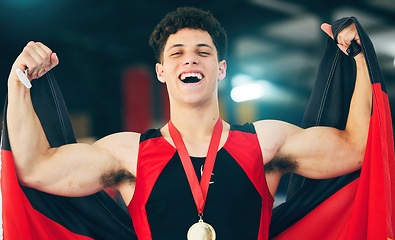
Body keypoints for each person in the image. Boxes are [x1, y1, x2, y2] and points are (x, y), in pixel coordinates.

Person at [6, 6, 371, 240]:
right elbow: (35, 168)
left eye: (203, 53)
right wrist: (18, 81)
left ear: (221, 69)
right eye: (177, 54)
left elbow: (356, 149)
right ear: (161, 72)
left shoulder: (266, 143)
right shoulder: (129, 154)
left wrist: (360, 57)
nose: (190, 61)